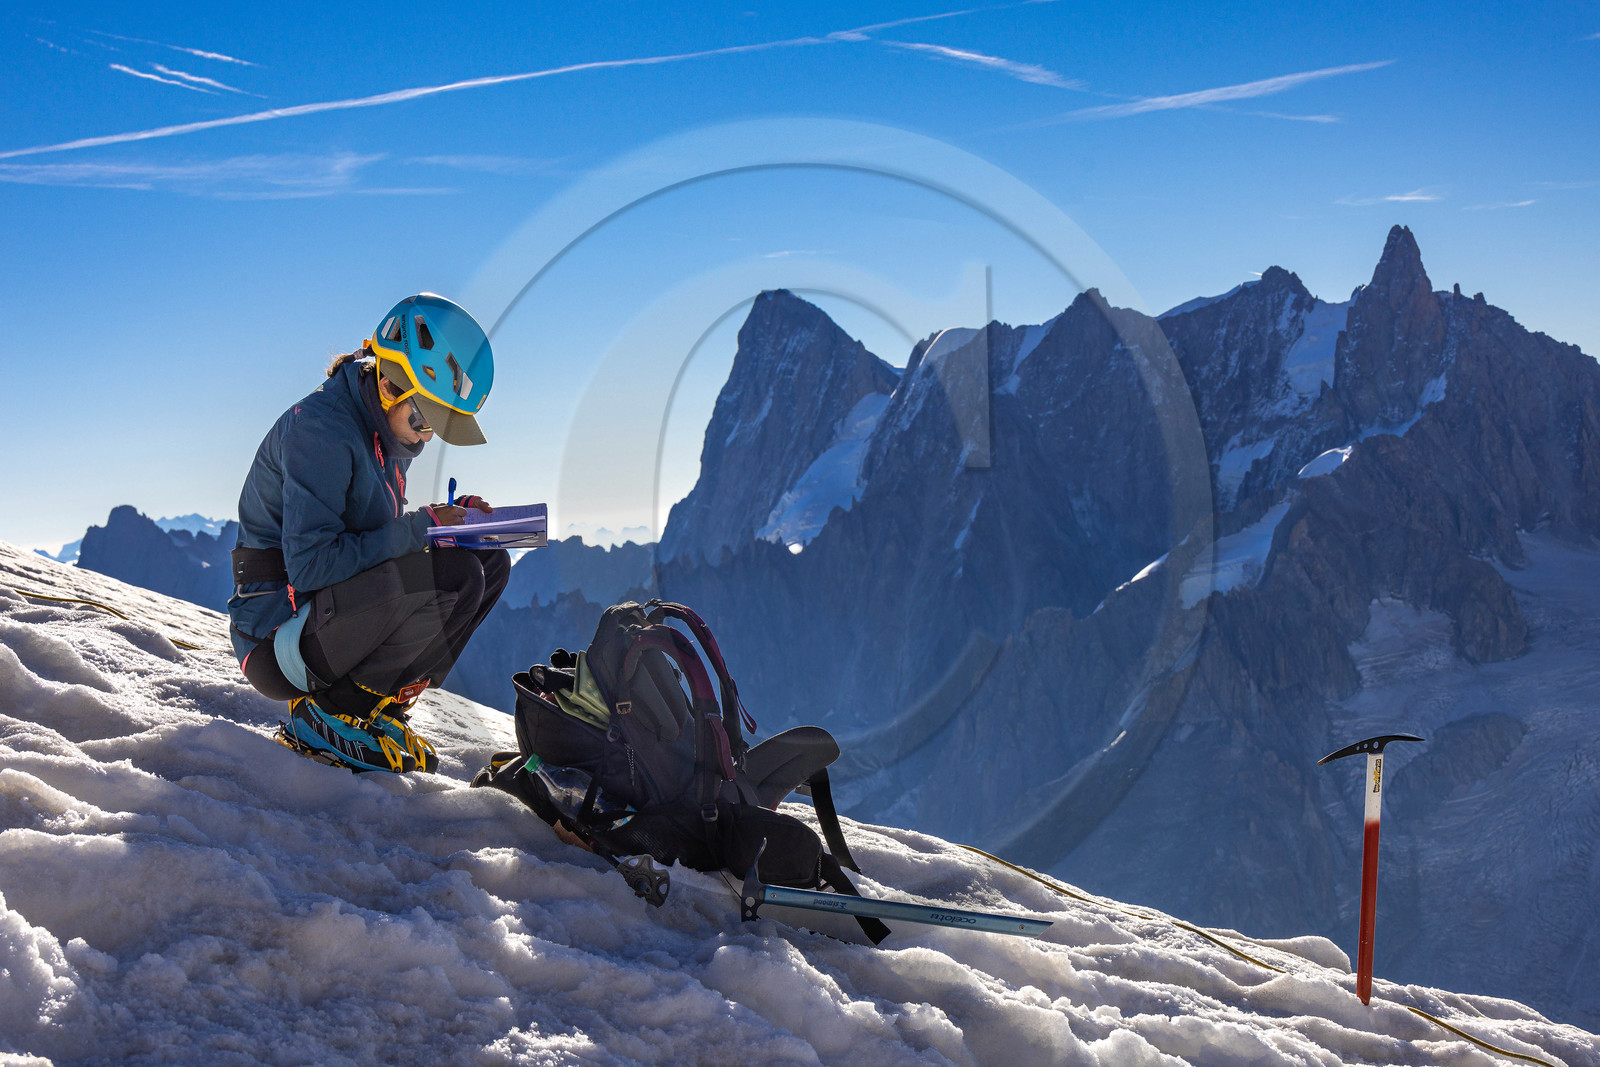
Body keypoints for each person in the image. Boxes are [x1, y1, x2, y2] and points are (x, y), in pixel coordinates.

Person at [228, 294, 510, 772]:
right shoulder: (322, 431)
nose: (426, 437)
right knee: (456, 574)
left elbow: (377, 543)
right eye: (423, 418)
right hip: (275, 637)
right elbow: (312, 568)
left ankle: (382, 710)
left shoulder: (383, 433)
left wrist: (452, 521)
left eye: (437, 427)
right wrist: (422, 526)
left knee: (489, 563)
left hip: (324, 621)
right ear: (387, 383)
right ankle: (333, 714)